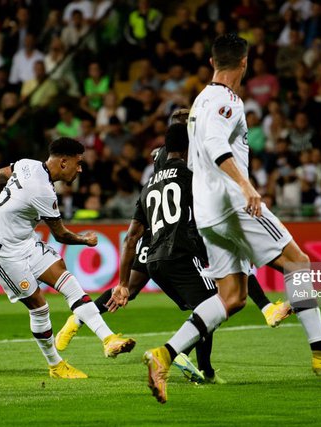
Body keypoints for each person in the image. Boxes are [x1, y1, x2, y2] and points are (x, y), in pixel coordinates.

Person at [139, 34, 321, 404]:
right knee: (299, 264)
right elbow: (215, 145)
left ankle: (164, 354)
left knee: (232, 297)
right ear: (244, 63)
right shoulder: (227, 101)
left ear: (213, 62)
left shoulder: (199, 102)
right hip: (232, 204)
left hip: (208, 212)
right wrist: (246, 187)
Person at [55, 112, 292, 378]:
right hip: (175, 238)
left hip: (155, 238)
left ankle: (79, 317)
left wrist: (120, 280)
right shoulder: (192, 169)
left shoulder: (152, 176)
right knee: (213, 301)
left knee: (132, 288)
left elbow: (132, 234)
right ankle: (197, 363)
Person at [0, 138, 135, 379]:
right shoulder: (42, 191)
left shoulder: (26, 164)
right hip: (0, 253)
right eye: (78, 163)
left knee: (68, 280)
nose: (80, 169)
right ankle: (56, 365)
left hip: (25, 242)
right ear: (63, 162)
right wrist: (85, 240)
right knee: (39, 306)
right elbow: (61, 234)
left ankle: (109, 339)